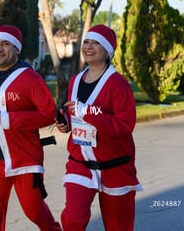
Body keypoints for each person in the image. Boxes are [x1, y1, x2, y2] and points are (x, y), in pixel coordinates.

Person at [0, 25, 62, 231]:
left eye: (5, 44)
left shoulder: (29, 78)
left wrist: (12, 119)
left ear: (16, 49)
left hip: (23, 160)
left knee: (34, 212)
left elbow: (48, 113)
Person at [56, 24, 143, 231]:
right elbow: (75, 113)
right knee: (73, 219)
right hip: (81, 162)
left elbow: (124, 126)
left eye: (96, 43)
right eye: (86, 42)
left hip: (116, 165)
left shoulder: (118, 83)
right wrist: (66, 123)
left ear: (107, 52)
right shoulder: (75, 81)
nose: (89, 46)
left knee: (118, 226)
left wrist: (87, 111)